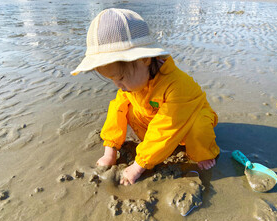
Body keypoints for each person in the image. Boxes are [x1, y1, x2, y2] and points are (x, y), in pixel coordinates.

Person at [71, 8, 220, 186]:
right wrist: (109, 151)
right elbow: (116, 112)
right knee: (124, 106)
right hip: (156, 118)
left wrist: (139, 165)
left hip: (186, 119)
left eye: (121, 78)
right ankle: (156, 148)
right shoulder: (132, 84)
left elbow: (165, 127)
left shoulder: (177, 85)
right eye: (112, 80)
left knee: (199, 128)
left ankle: (203, 152)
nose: (118, 86)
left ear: (145, 59)